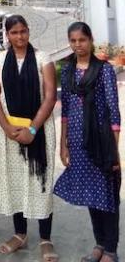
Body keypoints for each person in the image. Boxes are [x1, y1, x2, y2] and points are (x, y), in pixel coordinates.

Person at [0, 15, 57, 261]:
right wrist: (6, 127)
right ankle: (20, 233)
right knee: (16, 181)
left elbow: (49, 97)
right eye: (14, 32)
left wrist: (33, 130)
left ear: (29, 32)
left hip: (38, 131)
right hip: (8, 132)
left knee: (40, 183)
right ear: (7, 34)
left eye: (23, 31)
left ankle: (46, 238)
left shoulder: (42, 58)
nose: (20, 37)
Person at [54, 22, 121, 262]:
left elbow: (114, 111)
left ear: (90, 40)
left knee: (107, 194)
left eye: (81, 40)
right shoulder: (68, 70)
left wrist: (114, 150)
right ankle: (99, 244)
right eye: (73, 41)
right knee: (92, 195)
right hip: (77, 142)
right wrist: (63, 144)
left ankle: (111, 250)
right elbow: (65, 111)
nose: (77, 45)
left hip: (101, 142)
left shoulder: (103, 70)